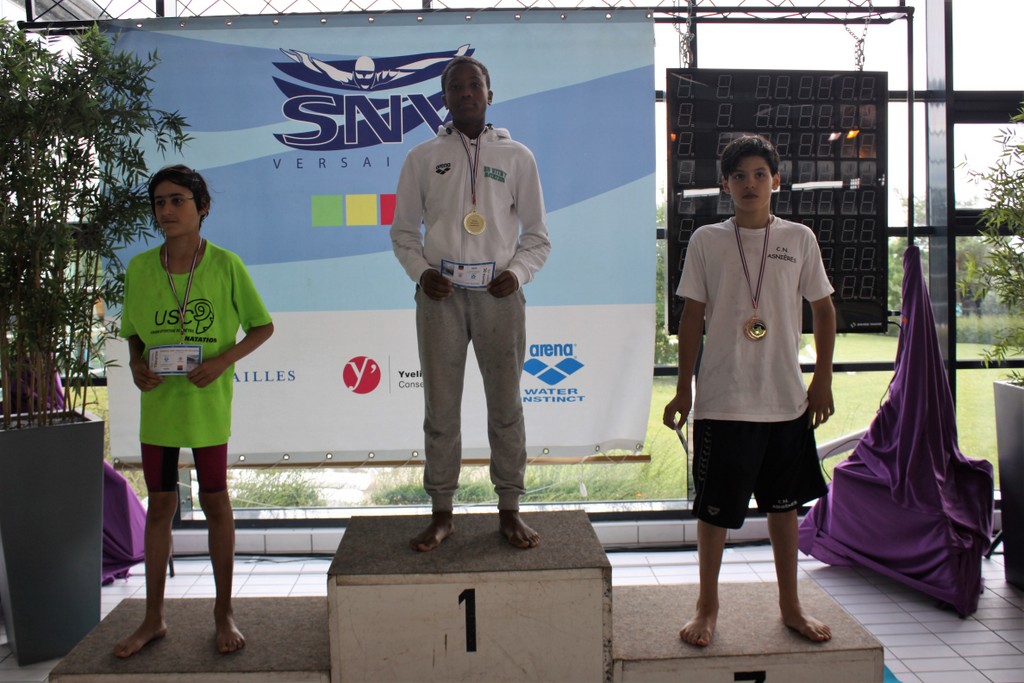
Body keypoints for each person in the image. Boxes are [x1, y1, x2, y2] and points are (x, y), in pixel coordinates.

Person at [662, 134, 836, 647]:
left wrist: (822, 378)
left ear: (776, 181)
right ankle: (706, 607)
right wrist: (684, 390)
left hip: (785, 401)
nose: (750, 184)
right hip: (723, 400)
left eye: (760, 174)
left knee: (784, 509)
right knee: (713, 513)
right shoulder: (707, 241)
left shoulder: (799, 239)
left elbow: (823, 309)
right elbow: (691, 317)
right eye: (739, 176)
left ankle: (791, 606)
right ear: (725, 185)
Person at [390, 56, 551, 552]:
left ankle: (510, 508)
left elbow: (537, 237)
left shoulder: (518, 156)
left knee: (506, 407)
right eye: (455, 86)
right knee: (440, 409)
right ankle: (442, 512)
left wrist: (516, 274)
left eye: (473, 84)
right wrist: (422, 273)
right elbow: (403, 233)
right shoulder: (422, 156)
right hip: (440, 297)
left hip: (499, 295)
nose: (465, 92)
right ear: (443, 98)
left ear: (489, 93)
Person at [114, 165, 274, 657]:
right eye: (159, 202)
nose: (167, 210)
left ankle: (224, 612)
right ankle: (153, 618)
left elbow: (262, 326)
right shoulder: (141, 268)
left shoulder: (226, 264)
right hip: (159, 405)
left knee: (215, 502)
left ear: (202, 207)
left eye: (178, 200)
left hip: (207, 402)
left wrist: (222, 362)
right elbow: (133, 334)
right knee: (160, 505)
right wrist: (136, 364)